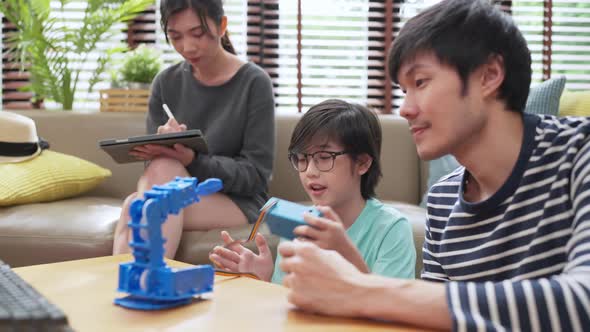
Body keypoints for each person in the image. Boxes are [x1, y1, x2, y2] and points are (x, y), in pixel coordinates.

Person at [277, 0, 590, 330]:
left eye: (421, 82)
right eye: (403, 90)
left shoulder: (580, 154)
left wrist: (359, 290)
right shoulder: (443, 202)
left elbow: (583, 301)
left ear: (489, 75)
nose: (405, 109)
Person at [112, 0, 275, 259]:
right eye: (175, 36)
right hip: (174, 188)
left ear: (222, 25)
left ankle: (136, 289)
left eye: (197, 33)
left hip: (236, 199)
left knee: (139, 206)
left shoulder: (254, 83)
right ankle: (140, 288)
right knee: (151, 189)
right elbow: (155, 173)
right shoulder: (165, 83)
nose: (187, 47)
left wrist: (192, 159)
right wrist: (162, 148)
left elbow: (255, 176)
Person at [209, 99, 416, 282]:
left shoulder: (391, 229)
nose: (309, 172)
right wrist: (266, 280)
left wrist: (342, 250)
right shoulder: (300, 225)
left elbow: (389, 313)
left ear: (362, 163)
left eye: (324, 158)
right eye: (302, 159)